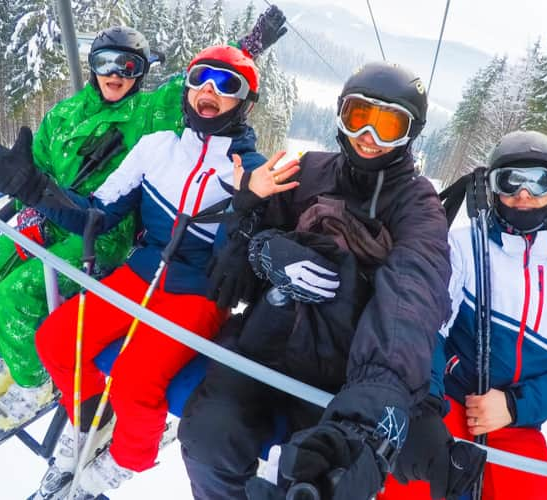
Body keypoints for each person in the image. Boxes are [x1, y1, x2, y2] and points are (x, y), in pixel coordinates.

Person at [0, 27, 292, 500]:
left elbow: (247, 264)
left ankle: (126, 459)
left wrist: (247, 207)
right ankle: (88, 421)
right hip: (140, 271)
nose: (210, 92)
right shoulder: (156, 149)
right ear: (187, 87)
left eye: (228, 86)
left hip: (195, 291)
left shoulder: (253, 174)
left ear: (246, 103)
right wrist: (35, 189)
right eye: (202, 78)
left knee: (138, 378)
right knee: (56, 339)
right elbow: (96, 216)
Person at [178, 61, 466, 500]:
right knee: (206, 439)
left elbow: (410, 300)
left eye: (387, 125)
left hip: (341, 370)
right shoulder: (308, 170)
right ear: (341, 115)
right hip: (264, 342)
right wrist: (262, 246)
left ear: (410, 133)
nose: (368, 138)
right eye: (359, 117)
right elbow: (241, 250)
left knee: (319, 471)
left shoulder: (418, 207)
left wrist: (370, 410)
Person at [0, 26, 183, 443]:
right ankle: (13, 356)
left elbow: (195, 86)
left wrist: (246, 50)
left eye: (128, 65)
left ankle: (35, 381)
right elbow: (39, 164)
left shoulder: (150, 112)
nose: (115, 74)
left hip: (100, 233)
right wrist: (21, 193)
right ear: (92, 66)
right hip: (47, 216)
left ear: (141, 71)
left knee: (16, 294)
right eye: (104, 63)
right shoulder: (65, 113)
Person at [380, 130, 547, 499]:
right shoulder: (461, 246)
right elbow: (428, 330)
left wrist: (515, 405)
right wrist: (428, 403)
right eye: (510, 180)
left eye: (539, 182)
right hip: (448, 404)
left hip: (518, 425)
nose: (524, 193)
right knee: (410, 482)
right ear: (492, 187)